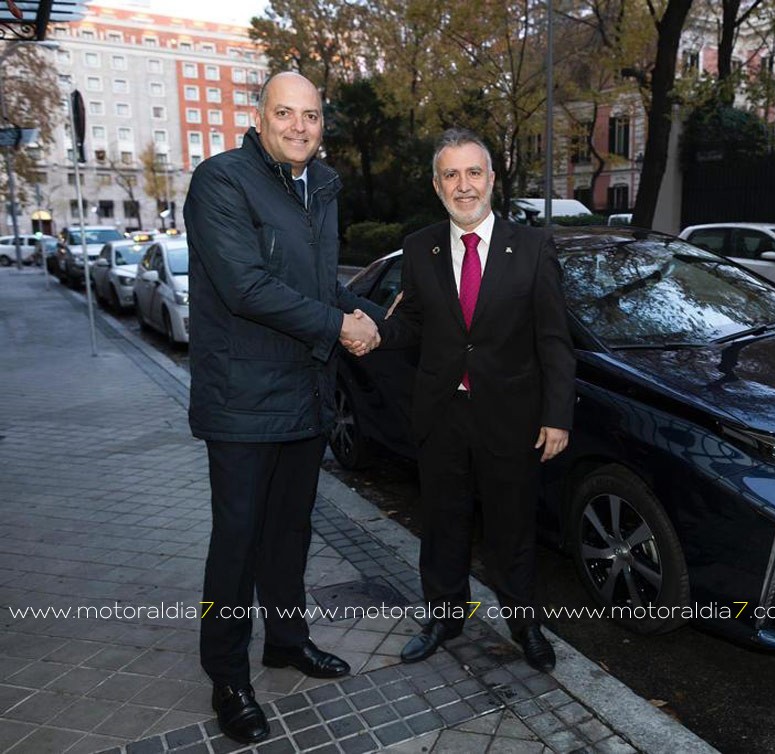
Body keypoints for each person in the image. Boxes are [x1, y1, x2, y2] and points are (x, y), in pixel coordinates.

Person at [184, 71, 381, 745]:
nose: (301, 126)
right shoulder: (221, 181)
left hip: (304, 393)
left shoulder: (318, 186)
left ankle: (286, 642)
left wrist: (371, 315)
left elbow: (318, 283)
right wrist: (338, 326)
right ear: (261, 117)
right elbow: (246, 287)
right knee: (236, 545)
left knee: (290, 534)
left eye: (312, 116)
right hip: (241, 399)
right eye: (286, 113)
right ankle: (227, 675)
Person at [377, 128, 575, 672]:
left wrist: (557, 414)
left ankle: (525, 623)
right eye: (450, 174)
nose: (463, 185)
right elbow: (413, 321)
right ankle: (444, 616)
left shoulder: (532, 248)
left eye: (473, 173)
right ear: (436, 184)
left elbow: (554, 338)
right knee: (442, 524)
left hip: (512, 417)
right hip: (441, 415)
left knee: (512, 528)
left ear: (491, 179)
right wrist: (371, 331)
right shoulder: (420, 248)